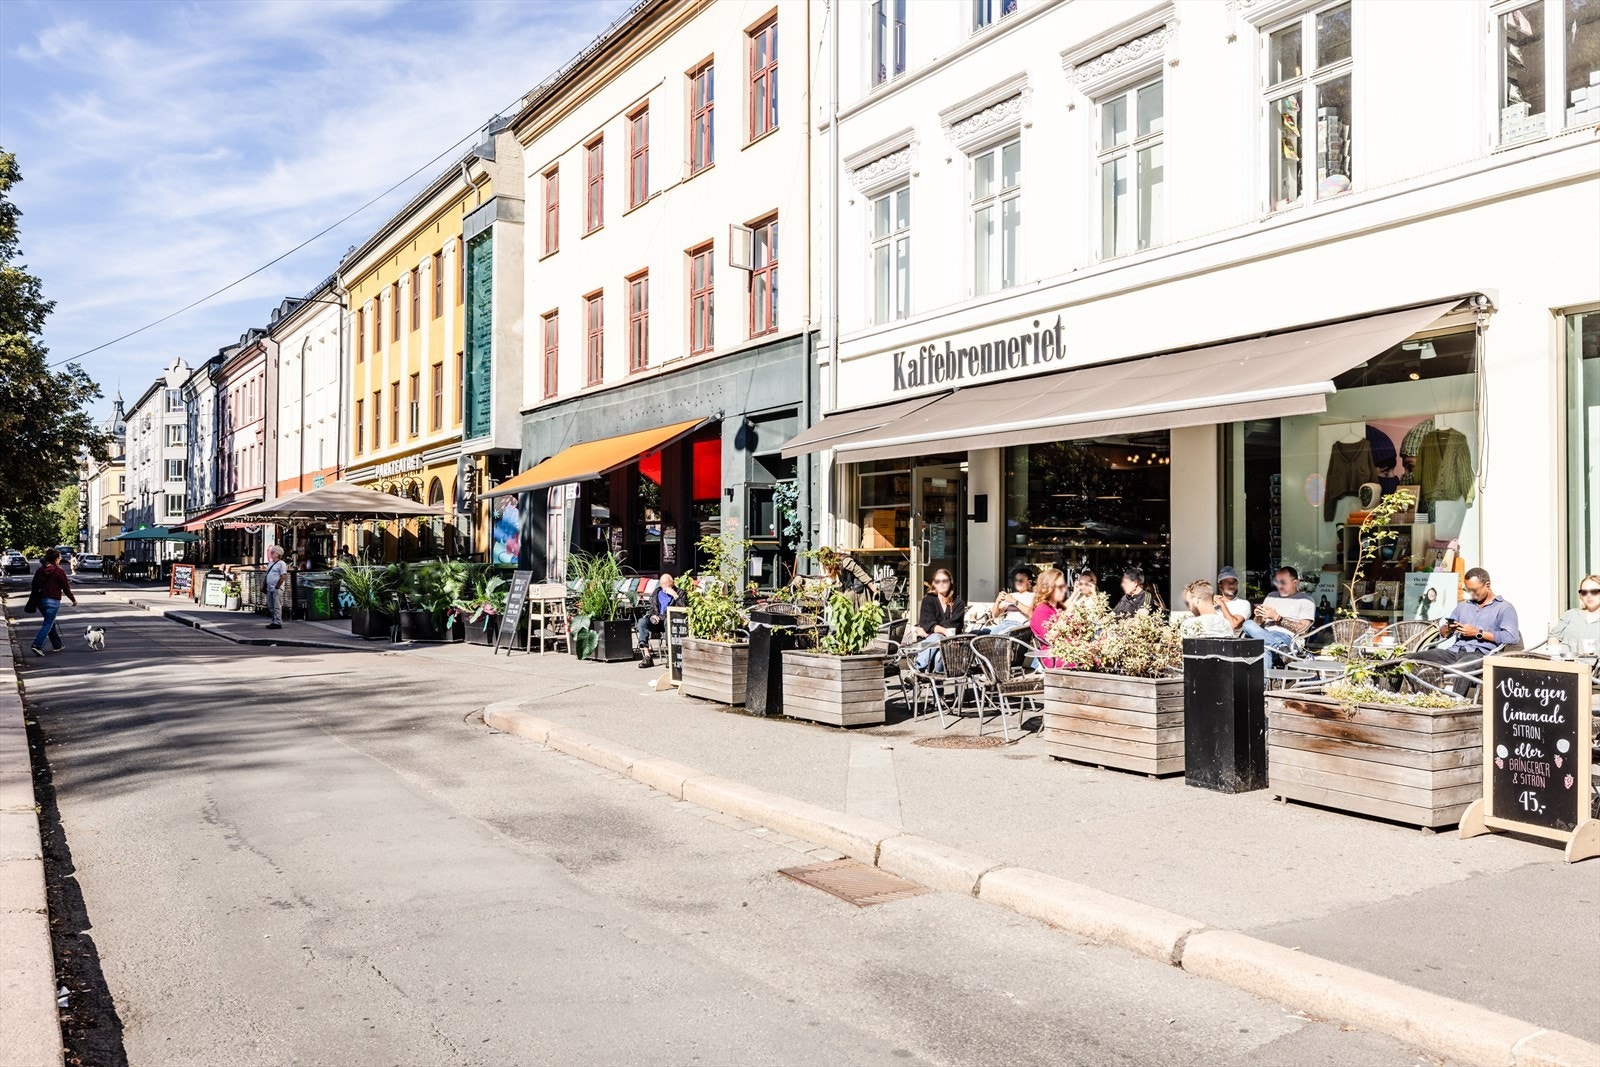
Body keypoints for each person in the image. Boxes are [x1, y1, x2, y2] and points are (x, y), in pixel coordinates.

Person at [1410, 567, 1520, 694]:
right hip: (1454, 651)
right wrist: (1448, 628)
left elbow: (1512, 637)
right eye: (1469, 591)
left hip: (1480, 654)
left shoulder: (1504, 608)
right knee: (1408, 659)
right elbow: (1444, 634)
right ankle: (1401, 699)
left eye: (1475, 590)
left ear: (1487, 585)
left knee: (1462, 667)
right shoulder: (1463, 606)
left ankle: (1456, 706)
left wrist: (1477, 633)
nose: (1472, 594)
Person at [1241, 566, 1316, 661]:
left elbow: (1303, 630)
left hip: (1288, 638)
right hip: (1265, 634)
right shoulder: (1271, 596)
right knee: (1247, 624)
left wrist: (1277, 618)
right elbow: (1258, 624)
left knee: (1264, 648)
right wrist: (1259, 616)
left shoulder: (1305, 600)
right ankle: (1281, 648)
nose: (1279, 585)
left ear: (1295, 582)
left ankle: (1280, 648)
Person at [912, 568, 965, 671]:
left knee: (936, 637)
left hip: (952, 645)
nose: (941, 584)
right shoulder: (928, 600)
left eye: (944, 581)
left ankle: (917, 669)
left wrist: (930, 633)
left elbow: (955, 625)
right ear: (934, 584)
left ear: (950, 582)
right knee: (938, 655)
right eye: (937, 581)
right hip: (932, 644)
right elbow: (927, 622)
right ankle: (935, 685)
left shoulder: (958, 603)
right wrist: (943, 631)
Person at [28, 549, 78, 656]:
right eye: (59, 558)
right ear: (56, 559)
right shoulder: (59, 571)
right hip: (53, 601)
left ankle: (57, 644)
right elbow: (66, 588)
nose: (60, 560)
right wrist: (73, 600)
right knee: (48, 623)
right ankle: (37, 645)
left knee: (50, 622)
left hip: (40, 601)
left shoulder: (40, 570)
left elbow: (34, 585)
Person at [636, 573, 683, 669]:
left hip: (670, 622)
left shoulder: (679, 592)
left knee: (668, 622)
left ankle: (671, 657)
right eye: (663, 584)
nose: (665, 587)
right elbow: (651, 608)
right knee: (642, 622)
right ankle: (647, 656)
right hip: (657, 622)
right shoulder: (657, 592)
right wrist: (652, 616)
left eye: (667, 584)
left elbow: (683, 608)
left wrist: (675, 595)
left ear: (672, 583)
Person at [1030, 566, 1068, 668]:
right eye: (1060, 587)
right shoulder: (1041, 610)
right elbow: (1049, 638)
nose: (1064, 590)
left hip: (1068, 652)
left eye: (1064, 586)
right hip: (1054, 657)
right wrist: (1066, 616)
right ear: (1048, 588)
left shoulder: (1059, 608)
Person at [1552, 574, 1600, 654]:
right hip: (1566, 664)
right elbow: (1554, 636)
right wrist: (1555, 653)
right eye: (1584, 592)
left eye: (1594, 591)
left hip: (1593, 665)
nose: (1589, 595)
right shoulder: (1571, 614)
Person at [985, 565, 1037, 633]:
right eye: (1016, 580)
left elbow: (1030, 613)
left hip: (1020, 626)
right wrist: (997, 601)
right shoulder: (1012, 595)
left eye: (1021, 580)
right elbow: (995, 615)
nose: (1018, 583)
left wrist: (1013, 600)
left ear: (1029, 582)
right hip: (1005, 623)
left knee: (997, 635)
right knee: (980, 632)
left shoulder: (1032, 596)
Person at [1214, 566, 1251, 633]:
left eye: (1234, 582)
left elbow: (1234, 624)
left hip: (1233, 641)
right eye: (1227, 582)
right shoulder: (1213, 603)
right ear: (1220, 586)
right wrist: (1207, 603)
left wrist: (1222, 604)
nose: (1231, 585)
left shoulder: (1243, 603)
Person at [264, 545, 288, 629]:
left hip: (276, 588)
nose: (271, 553)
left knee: (277, 605)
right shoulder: (270, 563)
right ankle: (274, 620)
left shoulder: (281, 564)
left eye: (272, 552)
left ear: (278, 554)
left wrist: (278, 586)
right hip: (269, 587)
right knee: (271, 605)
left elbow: (283, 575)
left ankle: (277, 622)